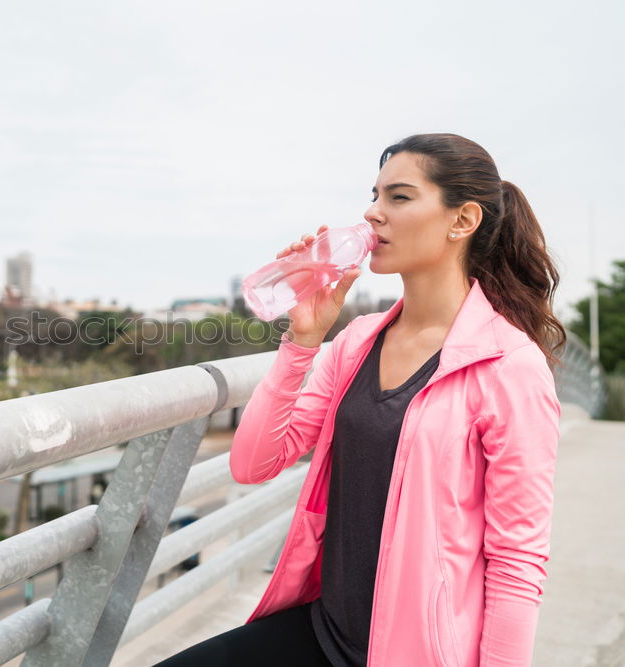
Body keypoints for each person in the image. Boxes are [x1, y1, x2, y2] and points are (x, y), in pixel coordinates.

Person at [155, 133, 564, 667]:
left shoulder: (509, 367)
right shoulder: (356, 342)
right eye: (373, 196)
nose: (373, 214)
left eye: (399, 197)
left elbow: (517, 560)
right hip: (325, 633)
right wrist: (302, 340)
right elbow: (253, 463)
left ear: (462, 221)